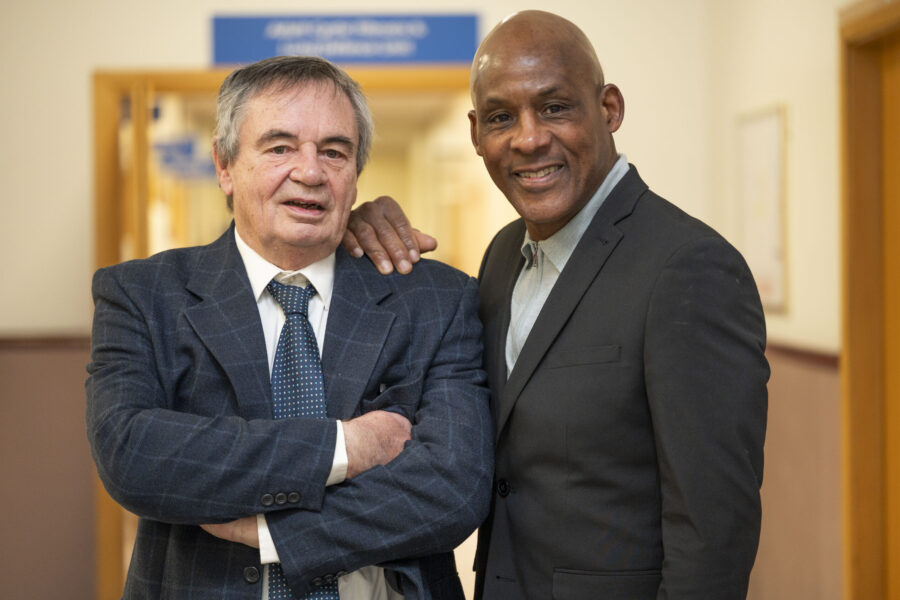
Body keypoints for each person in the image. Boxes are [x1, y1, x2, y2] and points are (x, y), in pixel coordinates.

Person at [344, 10, 769, 600]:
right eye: (500, 117)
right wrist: (350, 233)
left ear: (609, 108)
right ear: (475, 134)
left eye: (554, 107)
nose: (528, 138)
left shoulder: (687, 267)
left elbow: (714, 530)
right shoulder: (500, 258)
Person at [86, 56, 493, 600]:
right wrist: (347, 447)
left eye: (334, 151)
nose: (310, 172)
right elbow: (134, 454)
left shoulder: (437, 299)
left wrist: (274, 532)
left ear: (354, 175)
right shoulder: (143, 295)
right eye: (279, 147)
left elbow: (452, 486)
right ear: (225, 165)